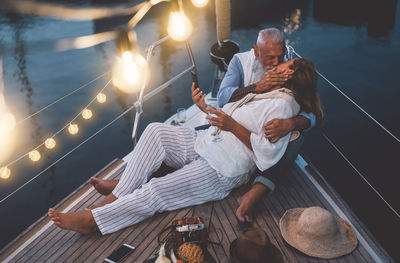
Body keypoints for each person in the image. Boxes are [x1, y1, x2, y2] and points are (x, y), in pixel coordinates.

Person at [48, 58, 322, 235]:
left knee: (157, 190)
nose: (281, 63)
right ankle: (118, 194)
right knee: (156, 130)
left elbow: (266, 156)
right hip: (208, 143)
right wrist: (205, 108)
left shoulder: (283, 106)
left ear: (291, 75)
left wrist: (231, 126)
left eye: (288, 63)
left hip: (222, 169)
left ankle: (94, 220)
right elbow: (232, 116)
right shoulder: (268, 93)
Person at [213, 28, 318, 222]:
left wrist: (290, 122)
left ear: (285, 50)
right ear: (256, 51)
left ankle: (256, 191)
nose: (276, 63)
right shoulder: (239, 61)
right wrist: (256, 87)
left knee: (297, 138)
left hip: (266, 137)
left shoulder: (289, 66)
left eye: (280, 56)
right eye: (269, 58)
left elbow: (312, 113)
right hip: (236, 128)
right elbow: (221, 98)